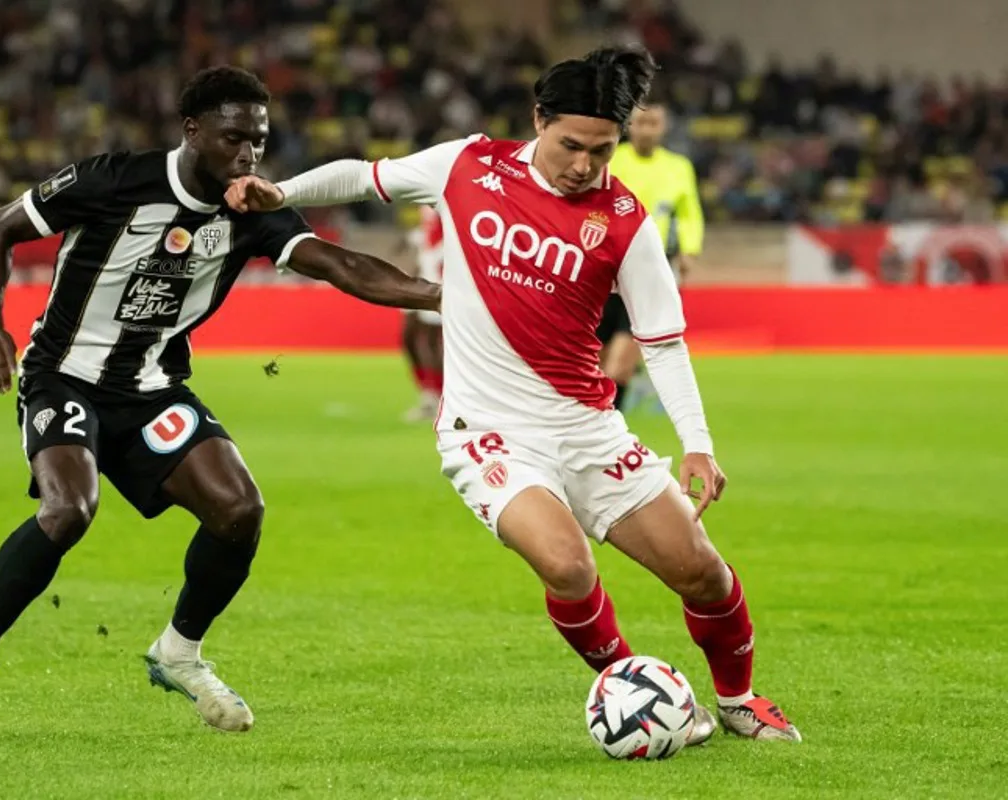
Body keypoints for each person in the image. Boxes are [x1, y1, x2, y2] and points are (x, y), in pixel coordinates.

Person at [227, 46, 800, 744]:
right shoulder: (469, 163)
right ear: (538, 120)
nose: (585, 165)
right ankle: (635, 692)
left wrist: (699, 444)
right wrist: (281, 193)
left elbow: (663, 339)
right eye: (571, 145)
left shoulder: (624, 220)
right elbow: (369, 177)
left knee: (702, 572)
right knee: (566, 563)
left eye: (603, 150)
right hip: (487, 430)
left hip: (589, 427)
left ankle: (738, 700)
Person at [0, 67, 440, 745]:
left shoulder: (255, 208)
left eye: (260, 140)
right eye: (233, 138)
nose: (248, 155)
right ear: (192, 130)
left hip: (153, 387)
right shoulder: (113, 180)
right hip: (63, 377)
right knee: (69, 509)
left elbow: (342, 266)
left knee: (240, 508)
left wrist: (443, 297)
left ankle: (179, 652)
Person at [597, 101, 704, 411]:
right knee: (597, 361)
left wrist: (689, 250)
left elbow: (689, 213)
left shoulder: (678, 167)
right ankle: (596, 429)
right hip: (605, 272)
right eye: (640, 123)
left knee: (620, 364)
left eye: (653, 123)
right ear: (629, 126)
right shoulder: (611, 160)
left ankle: (610, 427)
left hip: (650, 274)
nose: (646, 130)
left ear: (664, 127)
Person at [400, 205, 445, 422]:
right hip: (424, 268)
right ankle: (428, 394)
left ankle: (439, 398)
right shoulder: (423, 202)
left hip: (440, 268)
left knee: (431, 338)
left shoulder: (444, 191)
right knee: (409, 337)